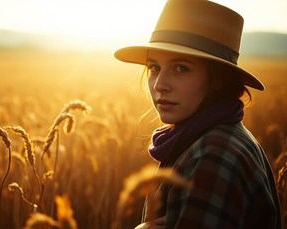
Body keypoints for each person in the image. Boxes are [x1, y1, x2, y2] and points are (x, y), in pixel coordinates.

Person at [114, 0, 282, 228]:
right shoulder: (212, 137)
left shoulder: (213, 153)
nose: (159, 84)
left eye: (181, 68)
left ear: (219, 79)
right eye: (154, 67)